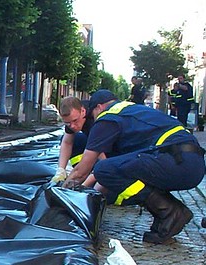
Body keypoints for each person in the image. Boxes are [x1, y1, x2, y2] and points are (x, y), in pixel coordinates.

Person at [63, 89, 205, 244]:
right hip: (188, 161)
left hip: (176, 160)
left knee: (103, 169)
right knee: (114, 168)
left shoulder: (107, 118)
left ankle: (171, 211)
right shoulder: (130, 111)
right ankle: (167, 214)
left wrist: (64, 194)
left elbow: (82, 172)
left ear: (99, 107)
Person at [51, 96, 93, 182]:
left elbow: (100, 154)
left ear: (83, 111)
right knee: (72, 139)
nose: (72, 126)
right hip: (94, 141)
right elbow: (67, 143)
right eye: (67, 123)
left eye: (75, 121)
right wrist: (61, 170)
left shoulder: (94, 120)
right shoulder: (73, 118)